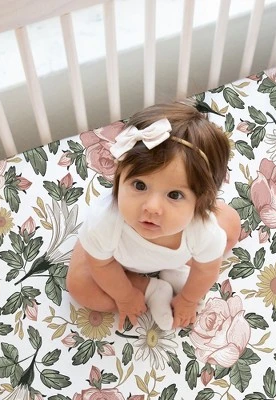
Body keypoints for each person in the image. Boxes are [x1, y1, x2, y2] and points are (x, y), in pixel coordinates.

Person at [66, 102, 241, 330]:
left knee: (231, 225)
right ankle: (151, 289)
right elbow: (102, 265)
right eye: (139, 185)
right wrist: (126, 296)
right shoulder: (105, 221)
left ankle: (178, 268)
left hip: (178, 253)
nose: (152, 207)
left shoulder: (201, 228)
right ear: (119, 177)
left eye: (174, 194)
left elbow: (207, 269)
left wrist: (188, 299)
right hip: (115, 262)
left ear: (201, 201)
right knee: (80, 285)